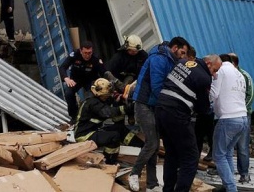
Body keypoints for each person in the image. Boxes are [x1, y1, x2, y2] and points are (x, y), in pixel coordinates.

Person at [128, 36, 191, 192]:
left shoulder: (170, 60)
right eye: (182, 52)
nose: (183, 57)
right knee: (152, 143)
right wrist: (169, 104)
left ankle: (152, 184)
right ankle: (134, 173)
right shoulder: (158, 59)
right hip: (144, 104)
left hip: (154, 105)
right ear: (174, 48)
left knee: (154, 146)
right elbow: (157, 86)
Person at [155, 54, 221, 192]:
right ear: (208, 63)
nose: (215, 75)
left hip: (161, 108)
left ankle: (167, 189)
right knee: (191, 158)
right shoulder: (204, 78)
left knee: (171, 154)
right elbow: (202, 108)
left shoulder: (183, 63)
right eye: (215, 70)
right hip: (177, 114)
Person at [74, 78, 143, 164]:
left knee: (120, 128)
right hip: (84, 135)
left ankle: (143, 148)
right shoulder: (92, 103)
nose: (108, 96)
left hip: (94, 130)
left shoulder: (99, 99)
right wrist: (127, 108)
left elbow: (115, 118)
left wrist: (118, 101)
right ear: (99, 94)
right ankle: (109, 161)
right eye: (107, 95)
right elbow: (108, 112)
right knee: (114, 136)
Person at [210, 54, 248, 192]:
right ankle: (228, 186)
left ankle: (231, 189)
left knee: (218, 155)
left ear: (219, 62)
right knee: (227, 153)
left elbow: (213, 94)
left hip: (228, 118)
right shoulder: (239, 74)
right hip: (243, 118)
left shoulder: (221, 71)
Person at [59, 41, 106, 125]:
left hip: (90, 79)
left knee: (91, 97)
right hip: (75, 79)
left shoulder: (95, 58)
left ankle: (93, 117)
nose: (87, 55)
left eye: (89, 53)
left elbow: (103, 73)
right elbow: (63, 67)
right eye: (85, 53)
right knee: (68, 94)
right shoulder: (75, 54)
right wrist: (66, 78)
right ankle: (74, 117)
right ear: (80, 51)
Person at [229, 52, 254, 183]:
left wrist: (240, 110)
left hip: (242, 115)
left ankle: (244, 173)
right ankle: (226, 171)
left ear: (234, 63)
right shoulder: (226, 75)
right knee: (225, 145)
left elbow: (250, 96)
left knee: (242, 146)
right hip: (228, 116)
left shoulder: (244, 76)